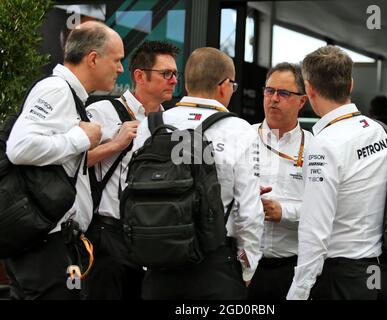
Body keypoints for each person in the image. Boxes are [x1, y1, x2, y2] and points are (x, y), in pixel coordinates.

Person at [5, 21, 124, 300]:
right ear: (93, 58)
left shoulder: (68, 93)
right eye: (117, 60)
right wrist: (82, 139)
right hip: (46, 246)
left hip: (54, 243)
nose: (120, 69)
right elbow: (19, 147)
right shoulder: (56, 89)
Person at [134, 47, 264, 300]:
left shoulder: (150, 125)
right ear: (224, 85)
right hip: (214, 264)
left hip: (158, 264)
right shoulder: (239, 130)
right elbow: (249, 212)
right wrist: (247, 269)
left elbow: (128, 192)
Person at [287, 45, 387, 300]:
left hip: (343, 278)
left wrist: (298, 292)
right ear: (351, 84)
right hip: (379, 273)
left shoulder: (324, 144)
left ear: (309, 90)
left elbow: (315, 229)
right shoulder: (378, 130)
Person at [84, 40, 180, 299]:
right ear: (140, 76)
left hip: (152, 239)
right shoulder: (102, 111)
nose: (173, 80)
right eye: (166, 73)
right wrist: (115, 144)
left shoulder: (171, 124)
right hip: (107, 234)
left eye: (175, 74)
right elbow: (73, 163)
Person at [247, 62, 312, 300]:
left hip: (291, 270)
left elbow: (326, 210)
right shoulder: (243, 138)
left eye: (283, 93)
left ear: (302, 101)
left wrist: (284, 211)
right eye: (269, 91)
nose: (273, 99)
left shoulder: (316, 148)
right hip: (243, 267)